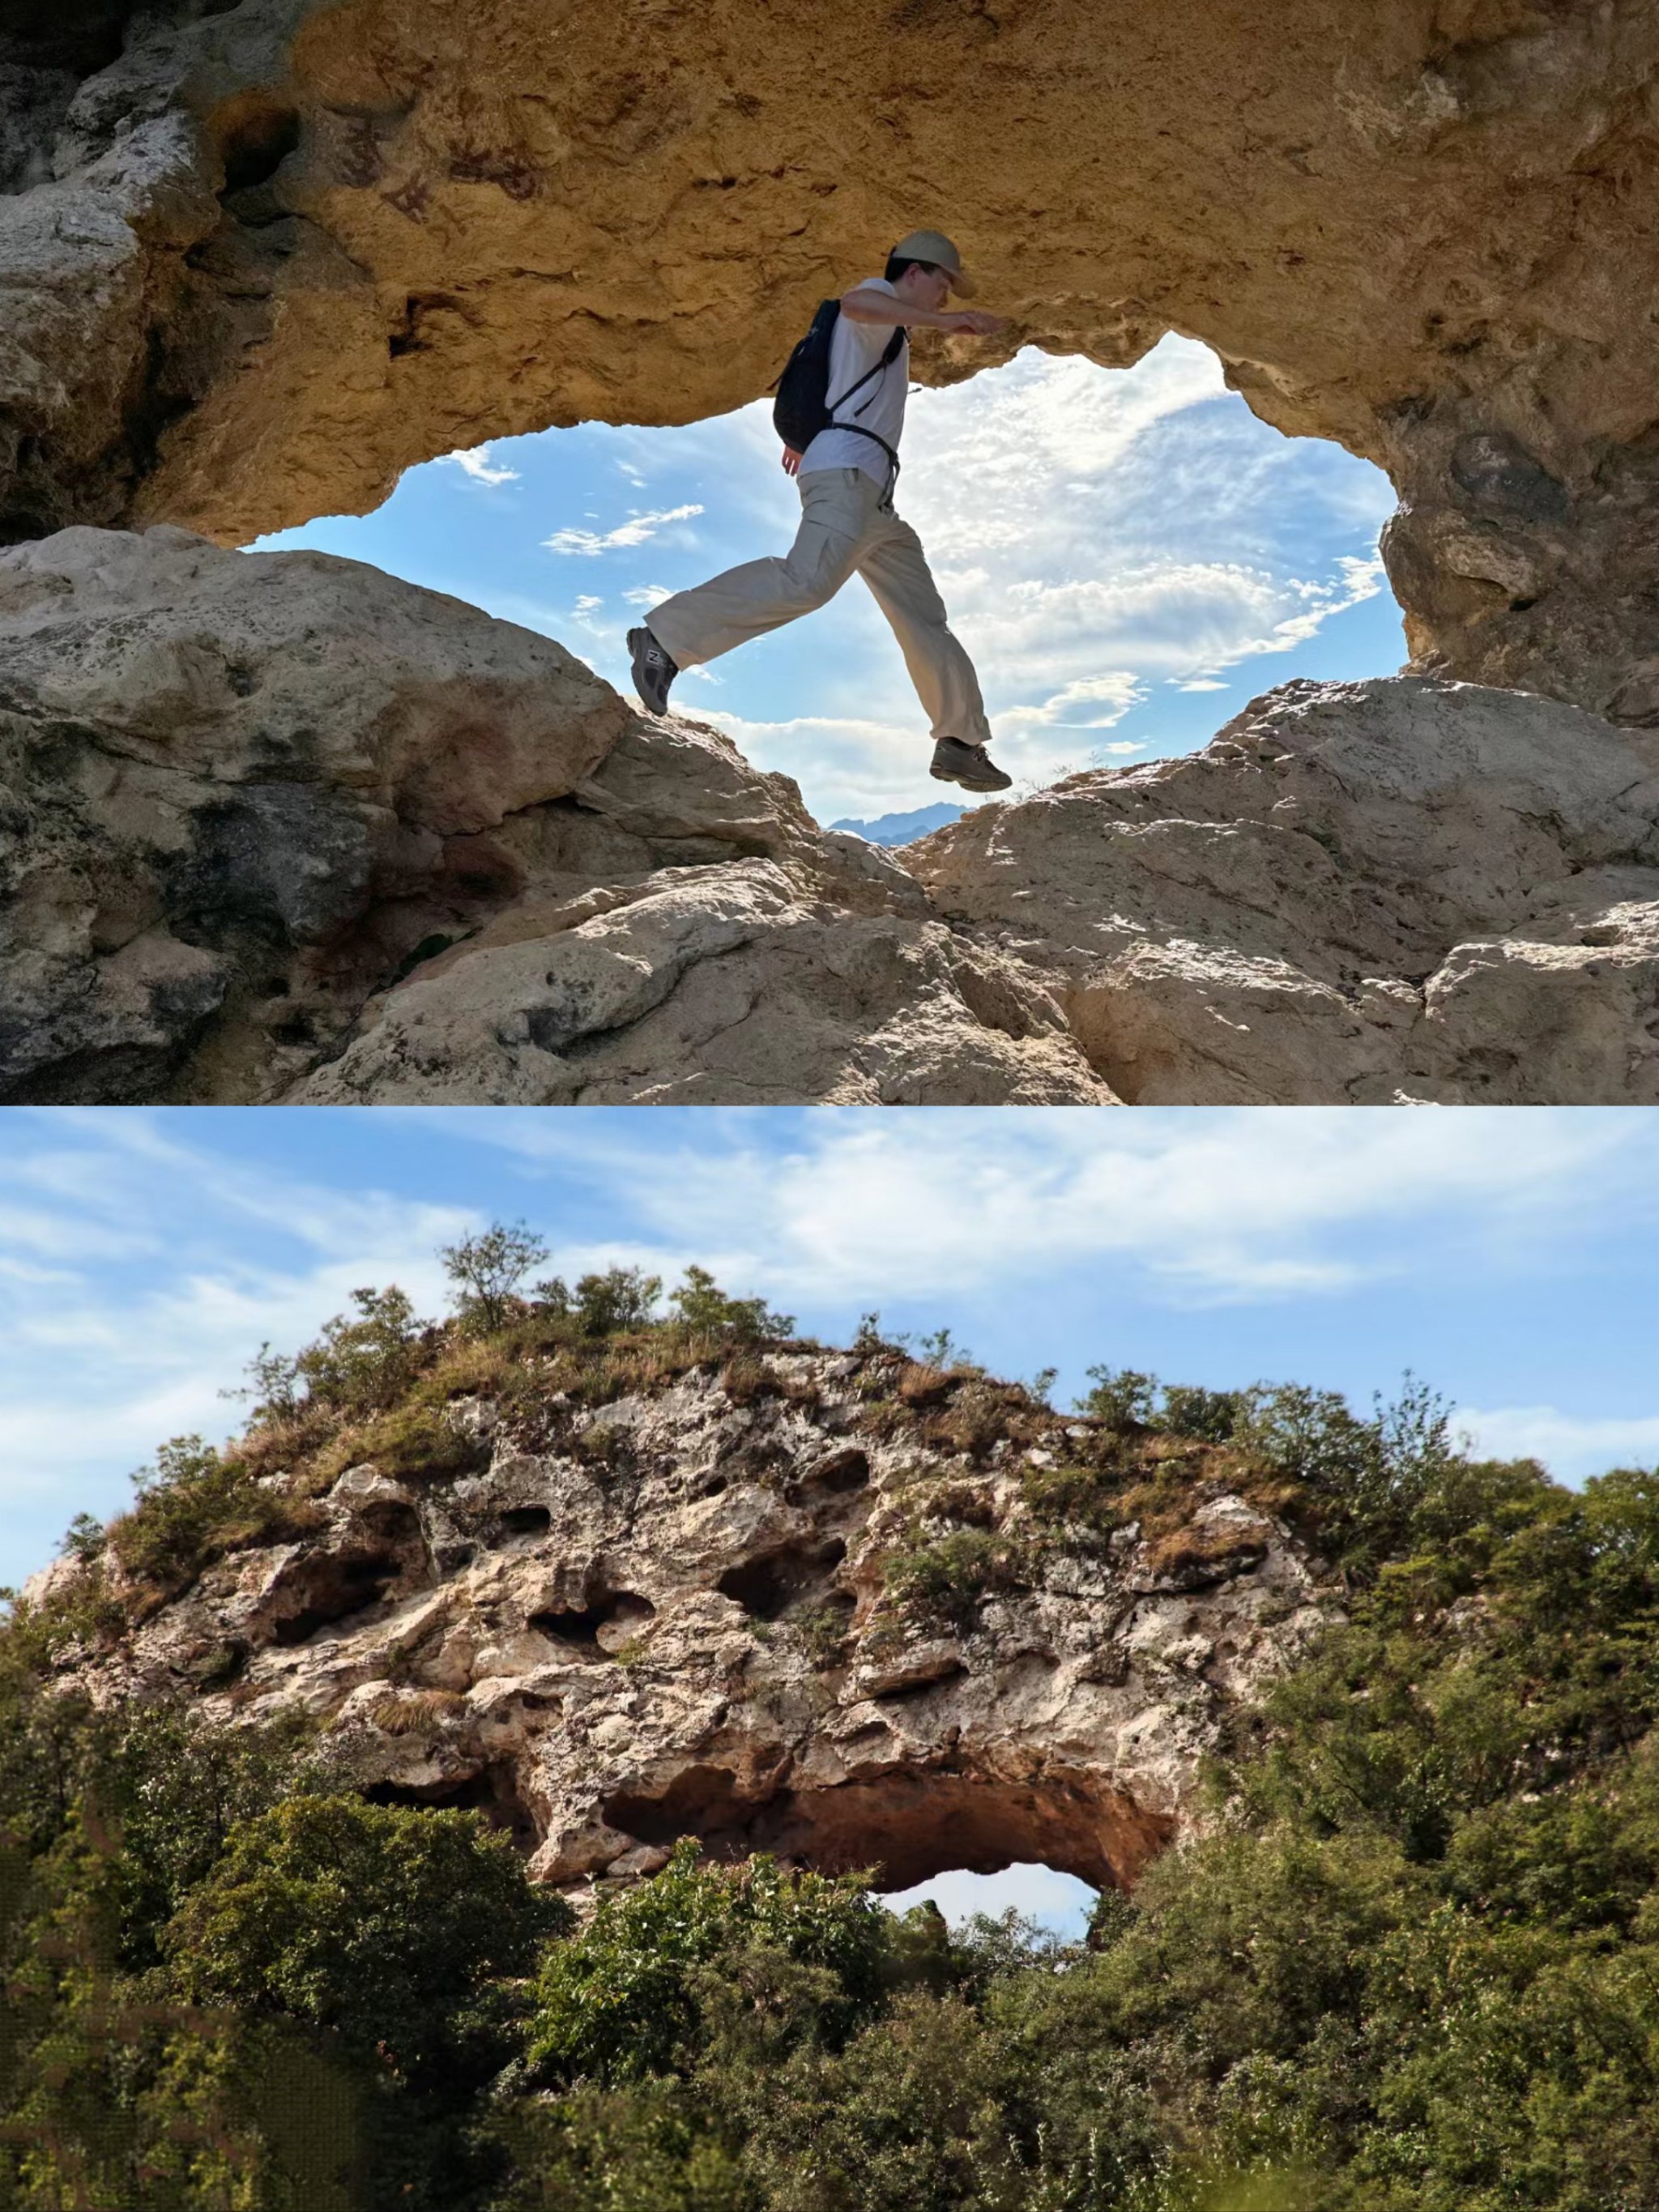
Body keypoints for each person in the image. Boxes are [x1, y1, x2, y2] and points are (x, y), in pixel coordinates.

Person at [628, 230, 1013, 793]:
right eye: (944, 285)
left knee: (923, 617)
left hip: (874, 498)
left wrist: (815, 433)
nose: (946, 298)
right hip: (849, 478)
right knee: (806, 581)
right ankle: (665, 637)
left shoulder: (891, 325)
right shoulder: (878, 300)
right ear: (917, 273)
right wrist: (946, 324)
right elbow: (856, 303)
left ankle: (960, 742)